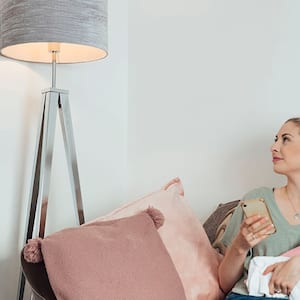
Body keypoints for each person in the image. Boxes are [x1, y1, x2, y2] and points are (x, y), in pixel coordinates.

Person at [218, 118, 300, 299]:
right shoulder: (257, 199)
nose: (274, 147)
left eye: (285, 139)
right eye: (276, 139)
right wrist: (240, 245)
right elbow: (225, 283)